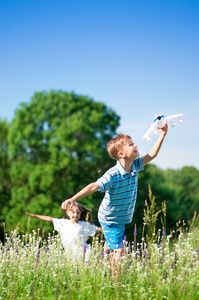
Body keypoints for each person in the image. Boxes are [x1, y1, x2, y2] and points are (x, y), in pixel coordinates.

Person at [61, 125, 168, 276]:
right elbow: (94, 186)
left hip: (121, 217)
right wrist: (73, 198)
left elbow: (152, 155)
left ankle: (103, 258)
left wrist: (162, 135)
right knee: (119, 250)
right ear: (121, 154)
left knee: (113, 242)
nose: (135, 145)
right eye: (131, 144)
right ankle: (116, 282)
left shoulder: (135, 166)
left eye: (133, 143)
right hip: (110, 218)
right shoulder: (112, 175)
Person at [25, 202, 102, 258]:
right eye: (73, 212)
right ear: (68, 213)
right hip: (70, 255)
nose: (75, 215)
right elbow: (49, 219)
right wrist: (35, 216)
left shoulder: (84, 225)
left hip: (85, 254)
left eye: (78, 213)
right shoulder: (63, 223)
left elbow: (98, 229)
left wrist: (112, 230)